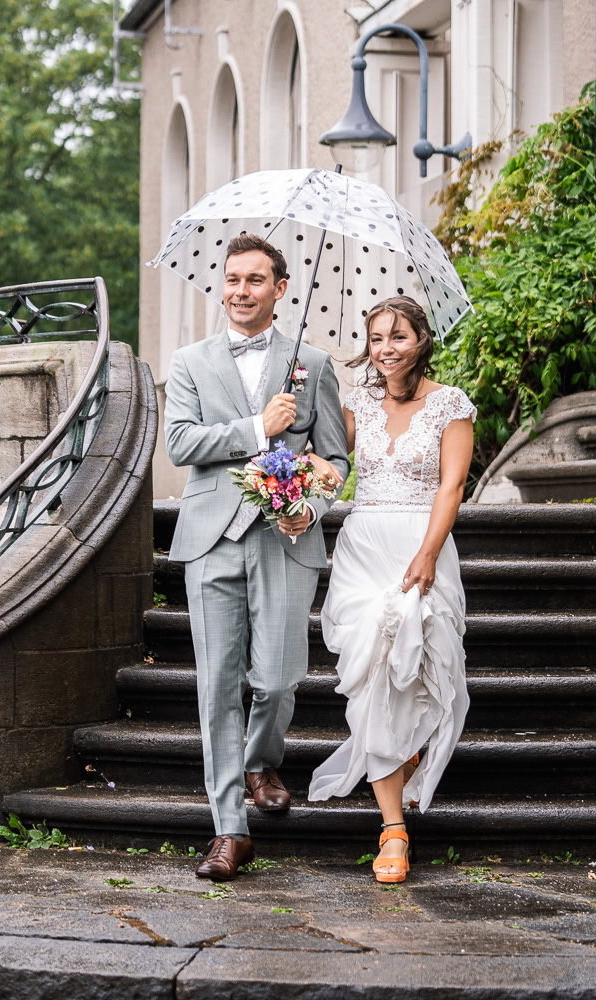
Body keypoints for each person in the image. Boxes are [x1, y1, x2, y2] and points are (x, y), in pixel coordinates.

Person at [164, 234, 350, 881]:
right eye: (232, 279)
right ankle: (228, 830)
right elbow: (181, 442)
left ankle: (260, 756)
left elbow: (337, 461)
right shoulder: (189, 361)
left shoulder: (314, 365)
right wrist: (256, 430)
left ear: (280, 289)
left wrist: (313, 505)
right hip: (210, 538)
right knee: (217, 688)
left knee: (276, 678)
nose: (240, 290)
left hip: (284, 537)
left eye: (254, 280)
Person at [308, 294, 475, 884]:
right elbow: (333, 465)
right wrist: (300, 468)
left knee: (423, 665)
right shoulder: (358, 404)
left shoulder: (449, 404)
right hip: (363, 547)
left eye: (398, 337)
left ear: (421, 340)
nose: (385, 350)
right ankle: (393, 829)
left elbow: (451, 487)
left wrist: (428, 553)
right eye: (377, 339)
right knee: (374, 678)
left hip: (418, 546)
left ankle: (409, 752)